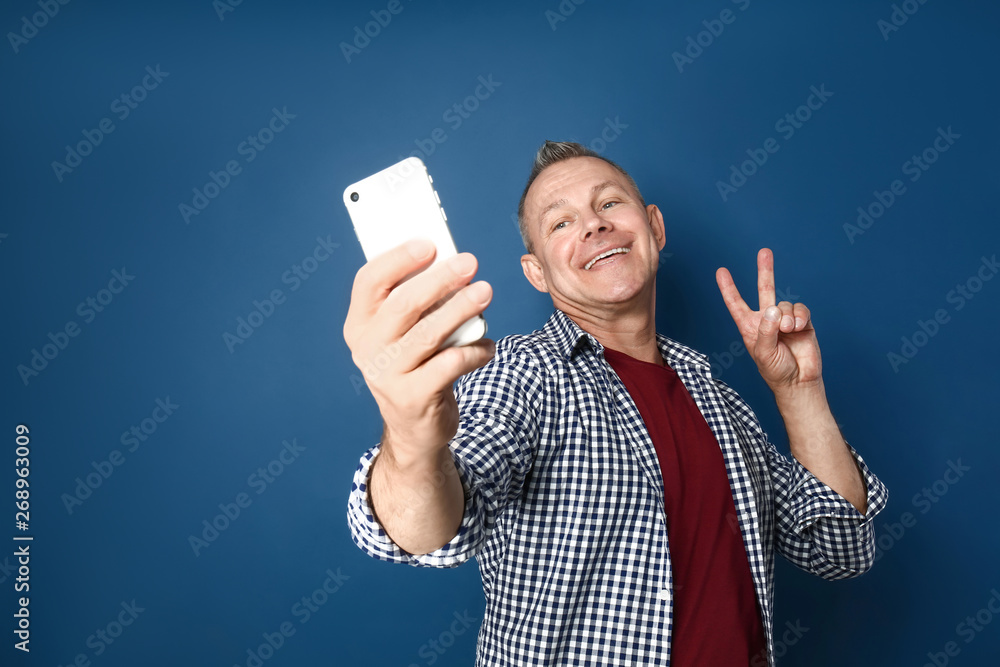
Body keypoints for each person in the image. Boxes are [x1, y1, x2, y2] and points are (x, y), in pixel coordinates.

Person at [343, 141, 888, 666]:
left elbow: (840, 550)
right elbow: (429, 530)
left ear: (654, 227)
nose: (594, 224)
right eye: (560, 222)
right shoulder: (521, 373)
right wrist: (414, 444)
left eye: (608, 203)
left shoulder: (717, 399)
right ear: (536, 272)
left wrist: (799, 391)